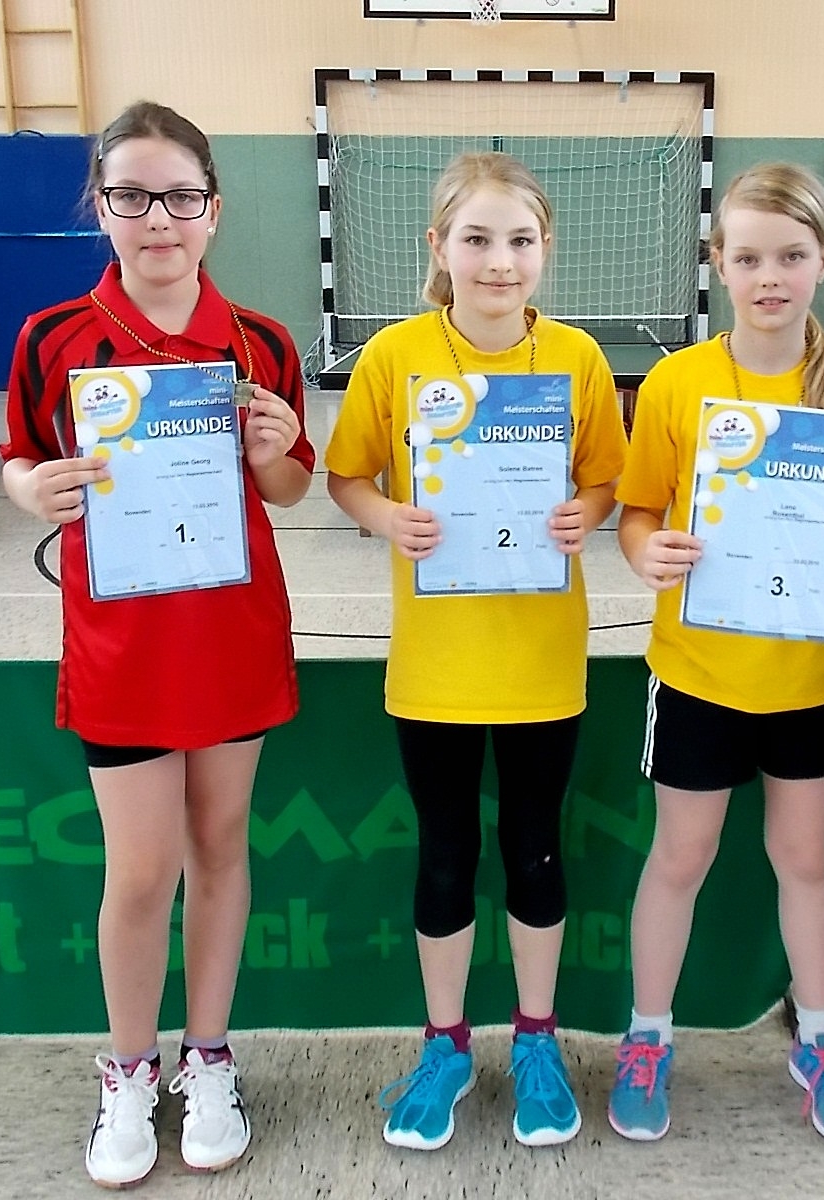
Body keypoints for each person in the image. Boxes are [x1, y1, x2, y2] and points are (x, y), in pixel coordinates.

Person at [0, 101, 314, 1187]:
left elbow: (290, 487)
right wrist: (31, 490)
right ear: (100, 206)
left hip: (231, 637)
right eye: (131, 196)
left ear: (213, 210)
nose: (159, 219)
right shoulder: (52, 337)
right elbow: (19, 457)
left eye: (180, 196)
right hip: (123, 646)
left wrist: (276, 448)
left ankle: (208, 1057)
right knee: (140, 872)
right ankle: (128, 1071)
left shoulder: (261, 341)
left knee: (220, 850)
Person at [325, 151, 627, 1152]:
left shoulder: (577, 359)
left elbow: (606, 481)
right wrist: (388, 518)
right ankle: (447, 1045)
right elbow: (348, 477)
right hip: (436, 669)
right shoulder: (395, 356)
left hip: (541, 663)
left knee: (535, 849)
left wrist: (583, 514)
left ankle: (535, 1040)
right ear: (439, 246)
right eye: (478, 238)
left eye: (521, 240)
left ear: (546, 249)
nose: (501, 261)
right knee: (447, 854)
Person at [606, 163, 824, 1146]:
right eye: (747, 258)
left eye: (789, 256)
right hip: (698, 674)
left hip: (809, 676)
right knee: (680, 856)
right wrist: (647, 551)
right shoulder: (678, 382)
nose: (768, 276)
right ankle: (647, 1038)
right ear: (719, 265)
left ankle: (819, 1039)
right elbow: (637, 512)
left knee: (804, 858)